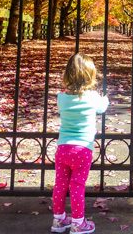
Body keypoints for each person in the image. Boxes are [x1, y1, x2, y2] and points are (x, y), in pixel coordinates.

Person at [51, 52, 109, 234]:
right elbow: (102, 107)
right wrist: (105, 97)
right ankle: (78, 222)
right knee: (77, 186)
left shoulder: (62, 98)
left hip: (63, 148)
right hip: (82, 149)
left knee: (60, 184)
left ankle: (58, 220)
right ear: (90, 76)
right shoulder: (92, 98)